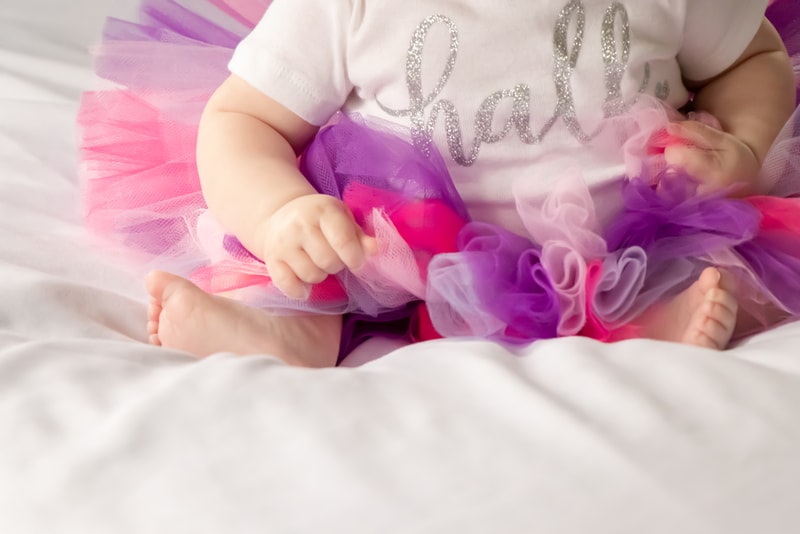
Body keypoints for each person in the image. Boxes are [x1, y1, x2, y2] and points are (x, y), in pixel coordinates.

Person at [86, 0, 799, 367]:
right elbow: (242, 119)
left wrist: (740, 142)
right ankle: (283, 330)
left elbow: (754, 61)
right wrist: (280, 214)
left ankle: (643, 316)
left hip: (628, 236)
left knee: (707, 253)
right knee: (315, 255)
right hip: (400, 248)